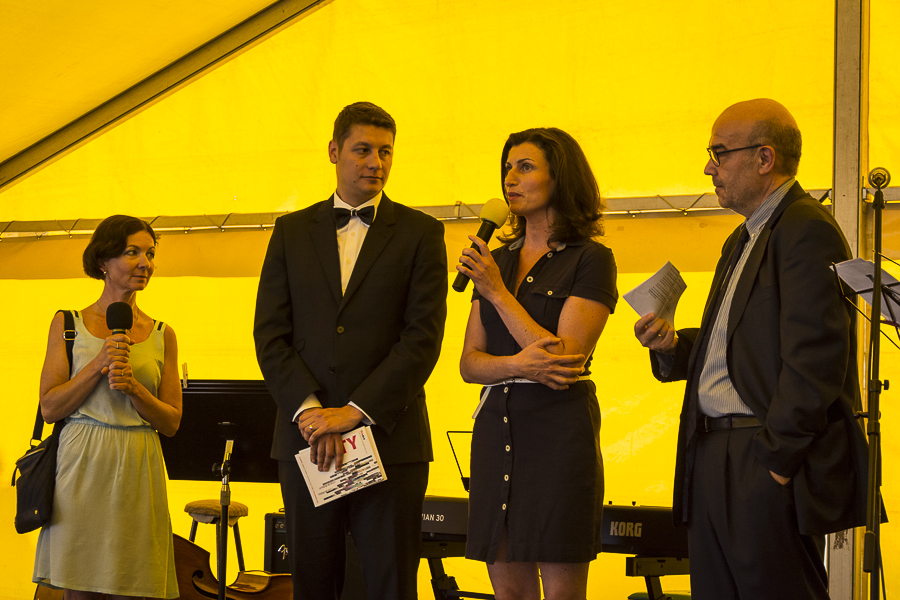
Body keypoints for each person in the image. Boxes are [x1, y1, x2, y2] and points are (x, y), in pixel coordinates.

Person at [633, 99, 868, 599]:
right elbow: (736, 344)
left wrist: (777, 462)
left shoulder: (805, 229)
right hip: (714, 451)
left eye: (719, 153)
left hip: (758, 452)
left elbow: (816, 358)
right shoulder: (743, 237)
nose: (709, 168)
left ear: (764, 158)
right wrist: (674, 345)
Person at [254, 101, 447, 600]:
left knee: (390, 585)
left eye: (385, 152)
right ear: (334, 151)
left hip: (390, 441)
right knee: (313, 585)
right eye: (363, 150)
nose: (375, 163)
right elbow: (270, 334)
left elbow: (422, 338)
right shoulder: (290, 232)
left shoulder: (423, 233)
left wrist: (354, 412)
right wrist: (311, 413)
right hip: (306, 441)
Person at [457, 127, 617, 600]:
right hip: (496, 431)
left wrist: (497, 293)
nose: (510, 178)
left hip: (557, 437)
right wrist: (519, 366)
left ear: (559, 177)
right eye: (507, 167)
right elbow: (469, 364)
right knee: (509, 593)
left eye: (525, 167)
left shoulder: (591, 259)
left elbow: (564, 360)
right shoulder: (496, 260)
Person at [33, 215, 182, 599]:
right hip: (81, 464)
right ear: (103, 260)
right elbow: (49, 408)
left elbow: (171, 422)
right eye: (132, 252)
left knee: (134, 585)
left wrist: (134, 389)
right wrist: (98, 364)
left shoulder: (163, 333)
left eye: (150, 253)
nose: (145, 263)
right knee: (79, 586)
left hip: (138, 464)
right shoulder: (68, 324)